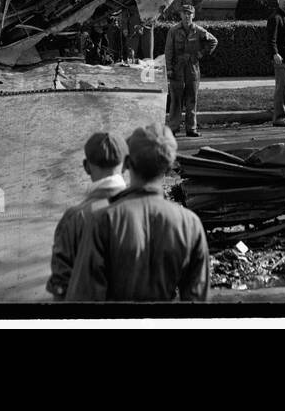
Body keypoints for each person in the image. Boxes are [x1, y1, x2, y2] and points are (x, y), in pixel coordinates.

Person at [66, 123, 209, 302]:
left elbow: (83, 298)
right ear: (170, 166)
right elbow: (196, 300)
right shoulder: (190, 224)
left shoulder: (103, 221)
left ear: (126, 164)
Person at [47, 131, 127, 299]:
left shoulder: (74, 219)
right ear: (125, 164)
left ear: (86, 166)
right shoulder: (150, 212)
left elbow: (61, 285)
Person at [164, 3, 218, 138]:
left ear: (193, 15)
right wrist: (169, 69)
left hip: (193, 68)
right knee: (176, 100)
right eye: (184, 13)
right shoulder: (173, 31)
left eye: (190, 14)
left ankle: (191, 128)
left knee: (192, 99)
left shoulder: (198, 30)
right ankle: (173, 128)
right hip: (177, 68)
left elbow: (213, 41)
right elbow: (169, 50)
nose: (187, 16)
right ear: (180, 15)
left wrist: (201, 53)